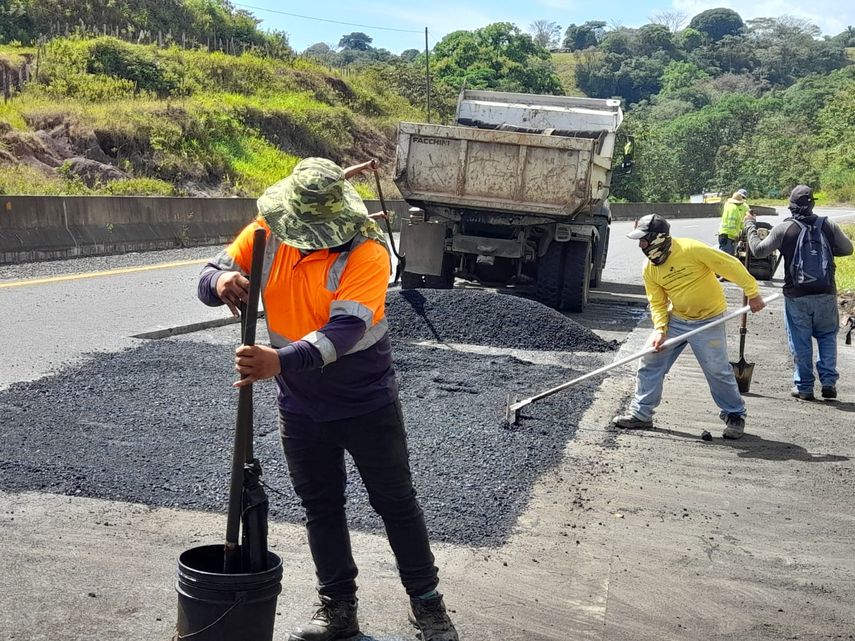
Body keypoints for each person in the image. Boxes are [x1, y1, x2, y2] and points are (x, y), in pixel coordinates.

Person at [197, 157, 459, 641]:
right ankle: (338, 609)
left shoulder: (367, 251)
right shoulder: (267, 231)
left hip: (365, 402)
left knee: (395, 502)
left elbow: (346, 330)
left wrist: (278, 361)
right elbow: (211, 273)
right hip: (300, 406)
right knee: (321, 506)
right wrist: (220, 281)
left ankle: (428, 607)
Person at [612, 214, 766, 439]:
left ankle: (734, 415)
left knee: (717, 369)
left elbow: (730, 265)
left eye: (643, 241)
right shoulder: (650, 267)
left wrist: (752, 293)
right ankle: (641, 414)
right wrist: (660, 329)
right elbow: (657, 302)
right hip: (677, 320)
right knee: (650, 359)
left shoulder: (692, 249)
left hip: (709, 320)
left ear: (657, 239)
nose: (641, 246)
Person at [744, 185, 853, 401]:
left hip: (797, 296)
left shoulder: (785, 229)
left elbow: (758, 250)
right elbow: (848, 249)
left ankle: (804, 387)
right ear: (812, 204)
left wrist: (750, 226)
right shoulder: (828, 225)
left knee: (800, 340)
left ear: (791, 207)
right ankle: (829, 383)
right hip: (826, 293)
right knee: (827, 337)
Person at [718, 189, 750, 255]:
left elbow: (740, 222)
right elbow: (731, 224)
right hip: (729, 236)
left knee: (724, 255)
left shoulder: (728, 205)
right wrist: (736, 235)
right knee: (727, 257)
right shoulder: (734, 208)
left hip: (725, 234)